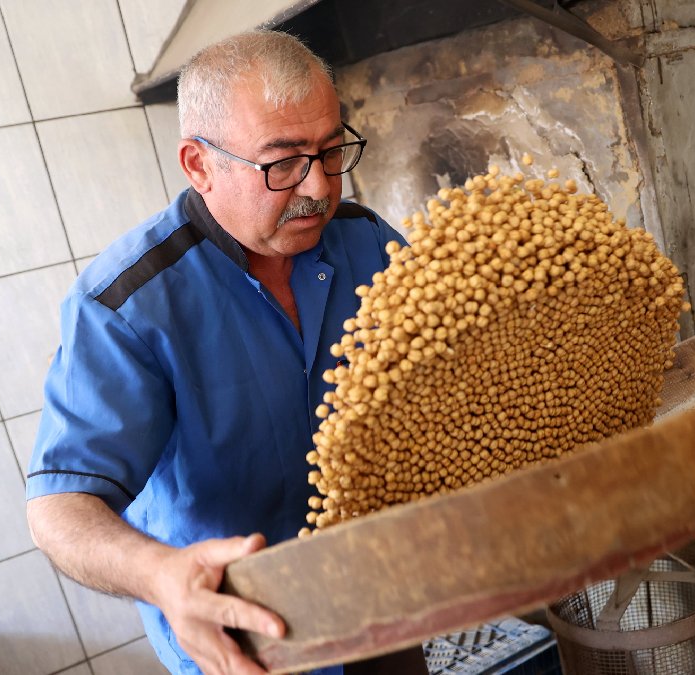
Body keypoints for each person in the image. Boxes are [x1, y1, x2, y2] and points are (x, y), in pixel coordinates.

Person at [25, 30, 418, 675]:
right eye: (282, 163)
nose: (320, 186)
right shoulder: (127, 307)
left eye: (331, 151)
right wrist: (162, 575)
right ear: (200, 165)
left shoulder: (367, 242)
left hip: (382, 599)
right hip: (242, 637)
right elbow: (60, 508)